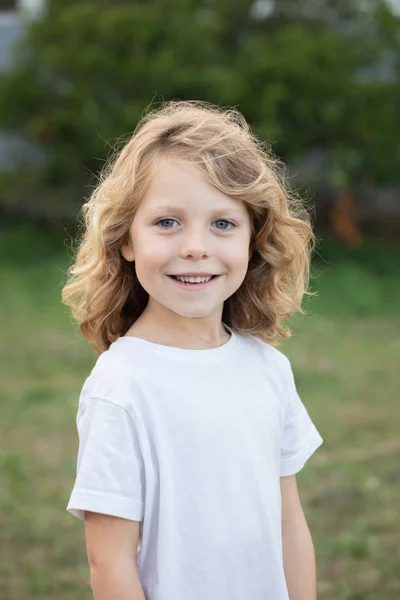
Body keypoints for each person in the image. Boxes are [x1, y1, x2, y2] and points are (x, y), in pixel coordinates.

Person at [62, 99, 323, 600]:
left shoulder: (268, 368)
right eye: (167, 222)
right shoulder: (122, 386)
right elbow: (108, 559)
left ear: (253, 240)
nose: (195, 247)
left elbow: (290, 524)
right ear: (126, 239)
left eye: (223, 223)